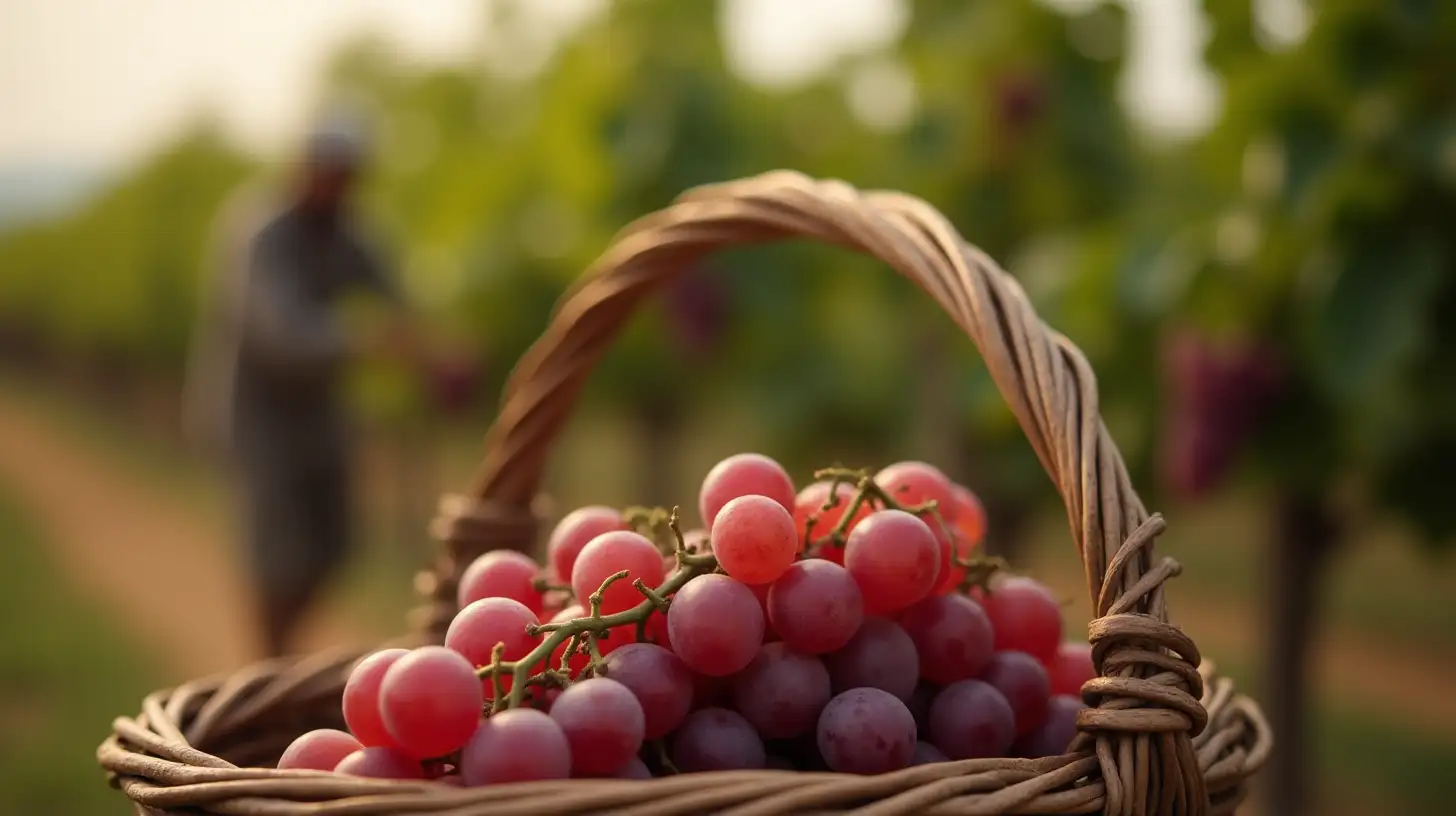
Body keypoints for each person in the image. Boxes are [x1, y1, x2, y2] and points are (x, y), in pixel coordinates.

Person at [185, 108, 410, 659]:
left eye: (351, 173)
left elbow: (397, 294)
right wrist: (368, 338)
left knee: (337, 547)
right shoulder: (261, 235)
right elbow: (281, 336)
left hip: (317, 416)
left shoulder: (348, 232)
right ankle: (267, 667)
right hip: (257, 420)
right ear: (303, 167)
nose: (342, 184)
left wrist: (431, 341)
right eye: (332, 170)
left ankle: (279, 655)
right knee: (278, 556)